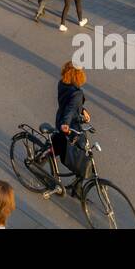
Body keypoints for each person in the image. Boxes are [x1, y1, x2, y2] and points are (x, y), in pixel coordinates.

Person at [52, 62, 91, 192]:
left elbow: (70, 104)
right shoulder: (77, 93)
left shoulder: (62, 83)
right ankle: (77, 187)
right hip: (71, 126)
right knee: (83, 155)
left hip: (60, 120)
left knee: (58, 143)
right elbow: (70, 109)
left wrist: (82, 110)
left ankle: (42, 157)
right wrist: (66, 125)